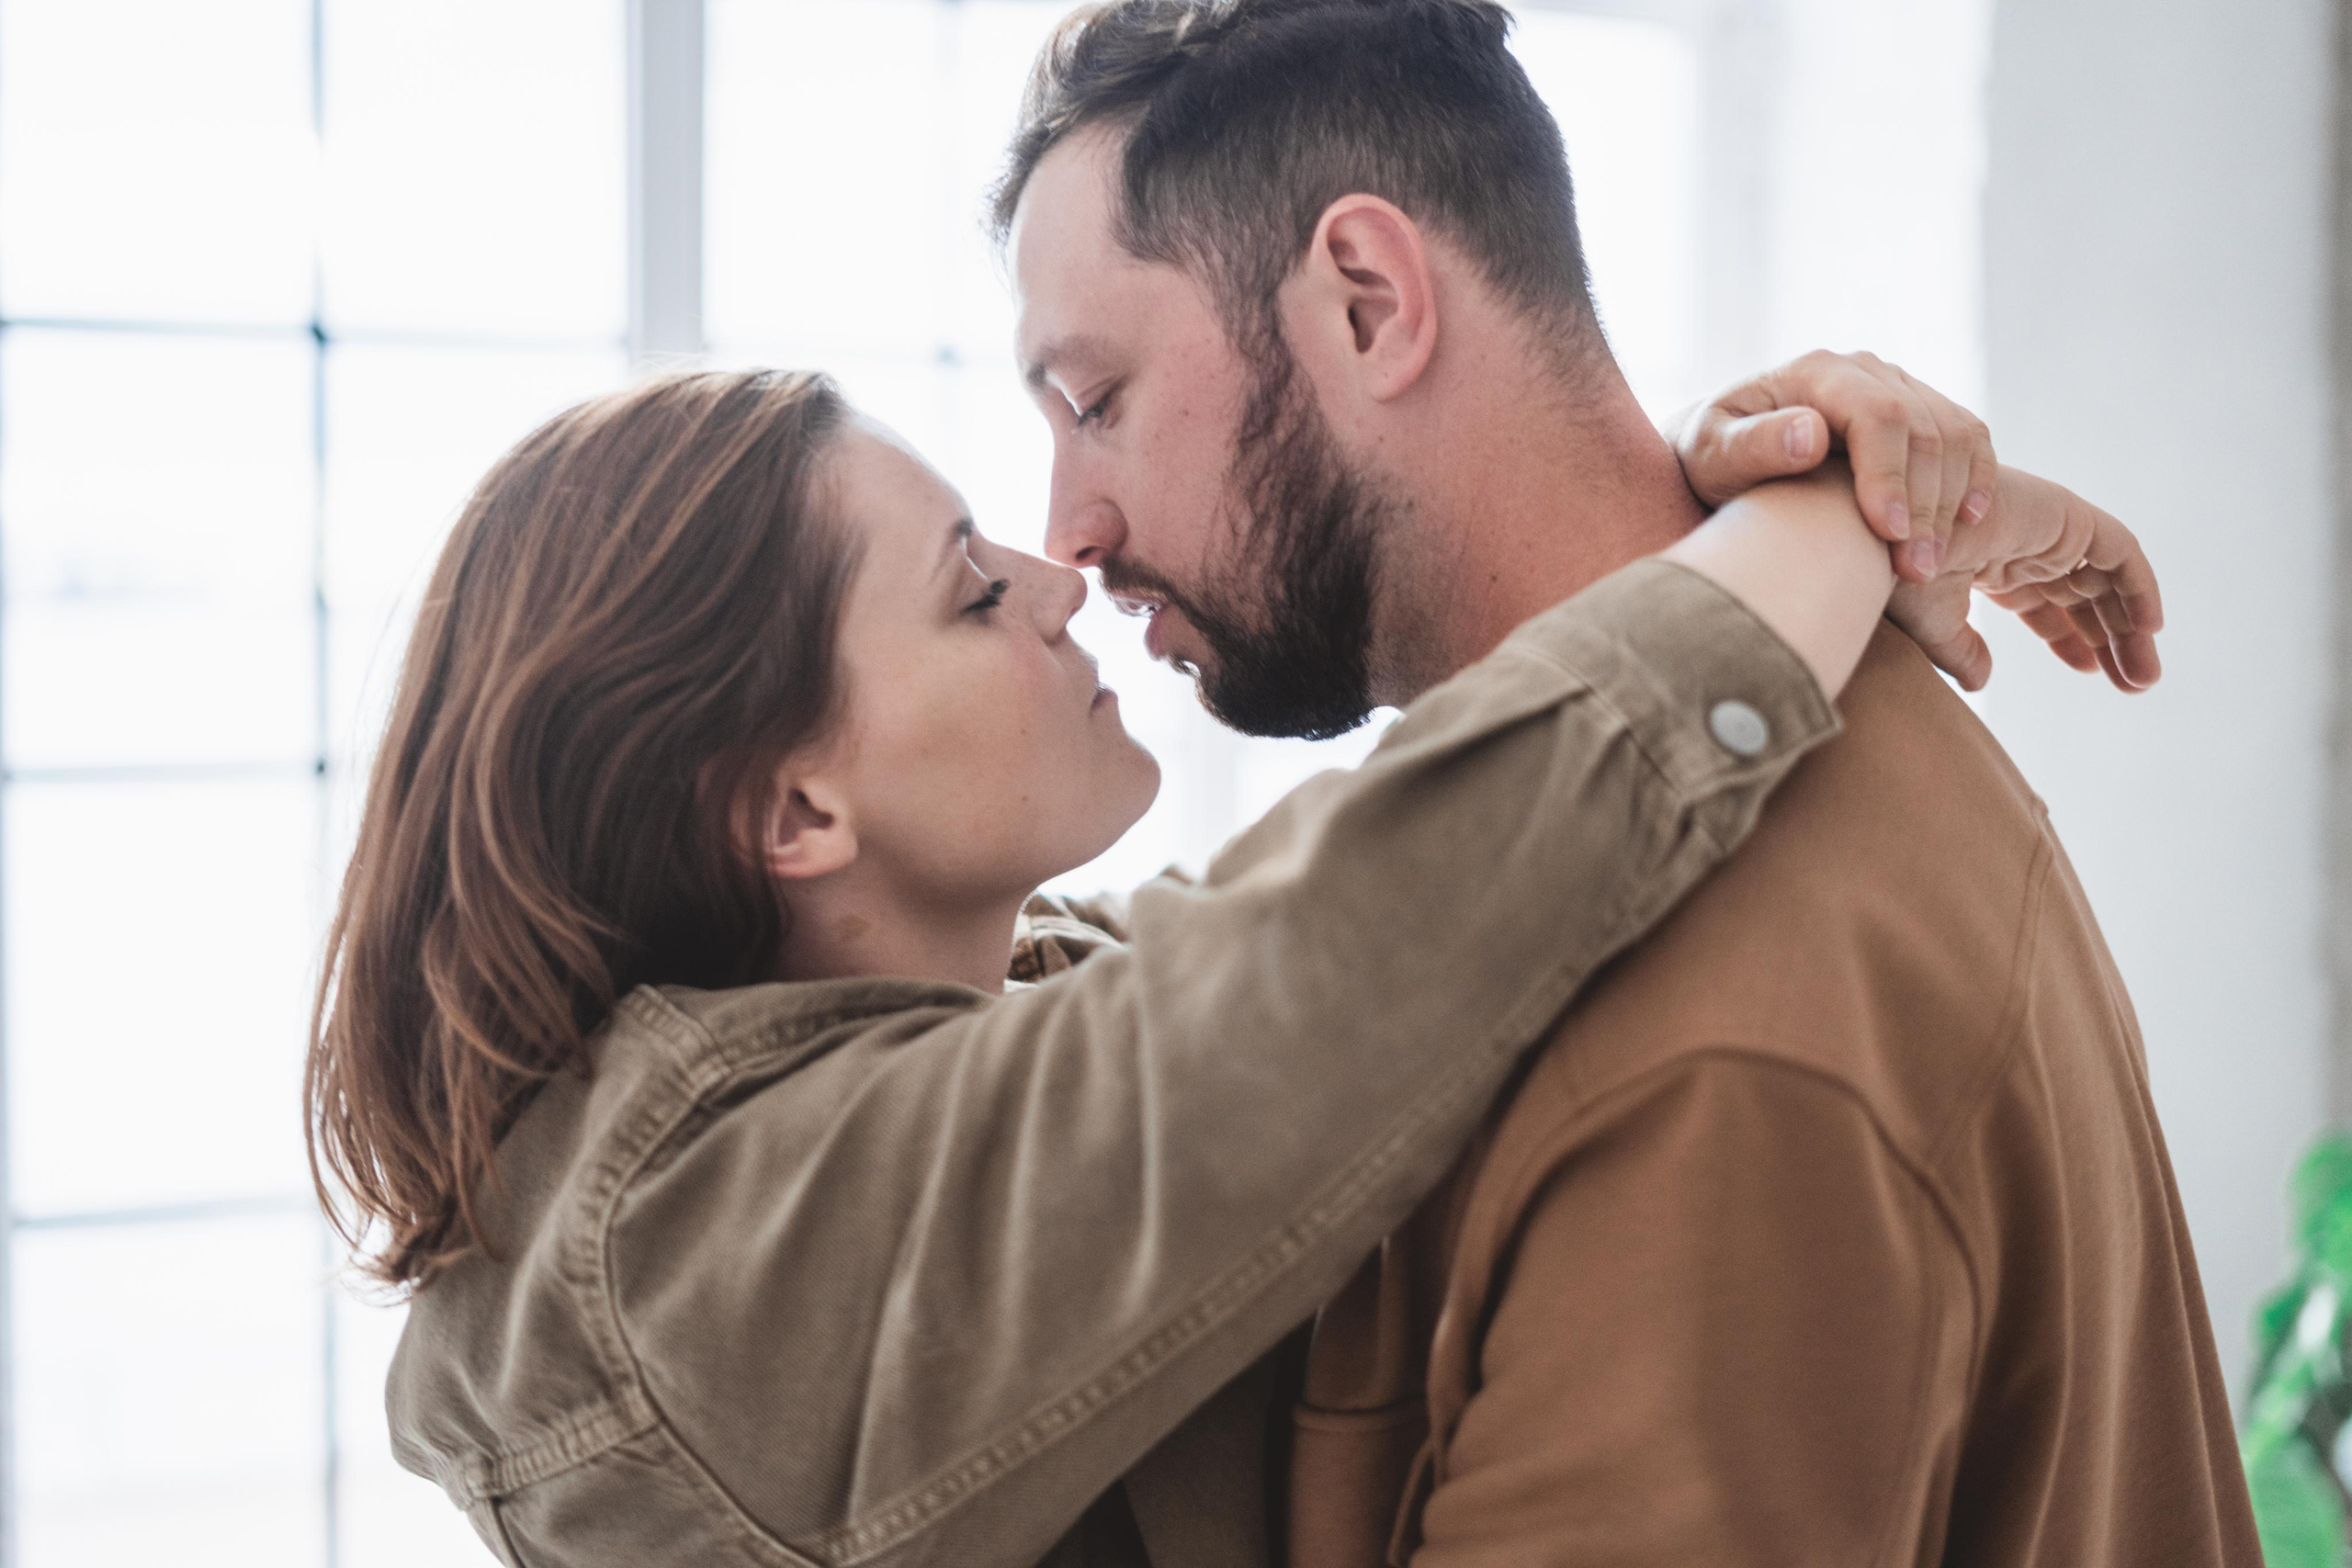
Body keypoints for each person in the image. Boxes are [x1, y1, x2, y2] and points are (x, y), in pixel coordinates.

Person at [304, 352, 2147, 1567]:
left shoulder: (988, 1008)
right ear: (793, 810)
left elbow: (1264, 942)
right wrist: (1832, 513)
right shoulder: (698, 1257)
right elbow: (1343, 950)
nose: (1056, 569)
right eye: (966, 588)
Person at [989, 0, 2256, 1563]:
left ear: (1371, 303)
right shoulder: (1609, 815)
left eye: (1097, 400)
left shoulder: (1706, 1023)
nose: (1069, 531)